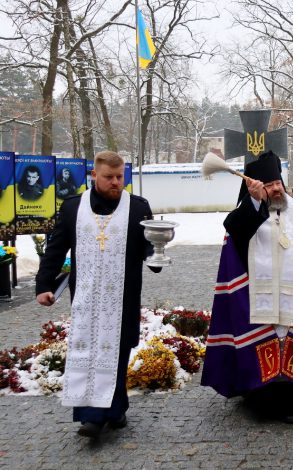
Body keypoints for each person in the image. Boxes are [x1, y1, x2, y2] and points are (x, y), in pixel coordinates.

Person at [201, 150, 293, 425]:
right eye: (269, 184)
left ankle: (292, 401)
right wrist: (254, 201)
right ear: (256, 186)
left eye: (278, 183)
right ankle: (261, 400)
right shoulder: (248, 211)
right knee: (262, 345)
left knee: (290, 344)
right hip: (255, 296)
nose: (276, 189)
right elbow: (236, 233)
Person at [35, 151, 160, 438]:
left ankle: (114, 411)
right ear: (94, 176)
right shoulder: (72, 209)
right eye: (109, 177)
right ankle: (92, 417)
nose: (116, 183)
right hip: (86, 299)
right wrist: (44, 285)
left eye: (120, 177)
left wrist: (157, 253)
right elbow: (56, 250)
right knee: (87, 352)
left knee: (117, 353)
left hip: (123, 299)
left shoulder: (138, 208)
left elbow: (150, 250)